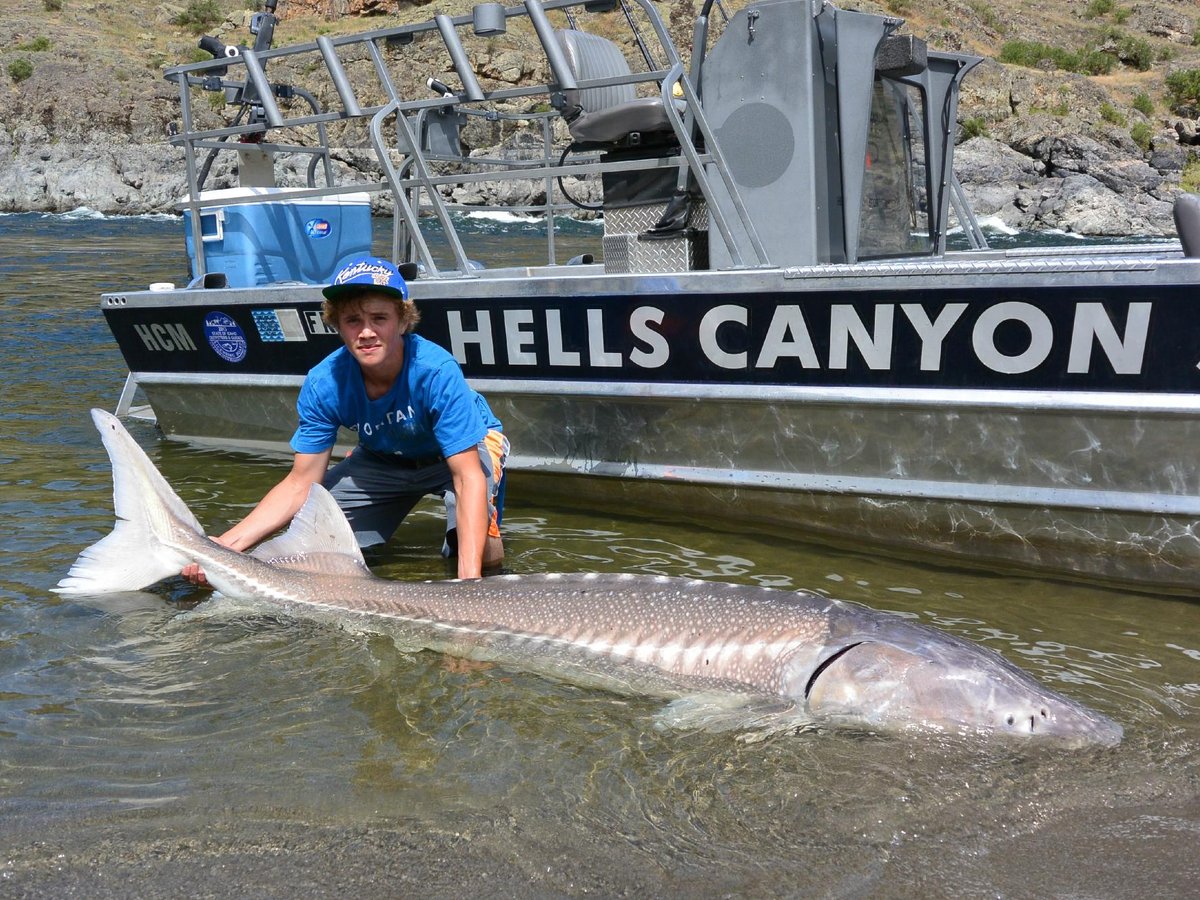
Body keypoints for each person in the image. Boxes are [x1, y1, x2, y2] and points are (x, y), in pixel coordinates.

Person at [184, 255, 507, 583]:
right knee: (316, 543)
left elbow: (467, 477)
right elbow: (300, 482)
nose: (366, 332)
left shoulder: (436, 371)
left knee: (479, 555)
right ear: (337, 325)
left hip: (459, 451)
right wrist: (226, 545)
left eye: (379, 318)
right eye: (353, 320)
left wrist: (469, 586)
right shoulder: (323, 382)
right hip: (384, 457)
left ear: (403, 321)